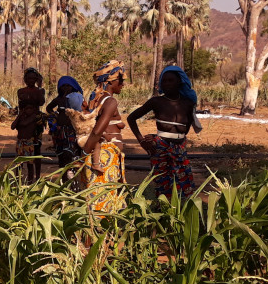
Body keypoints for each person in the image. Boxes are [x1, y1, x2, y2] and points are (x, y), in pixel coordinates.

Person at [127, 65, 202, 199]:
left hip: (180, 149)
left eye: (170, 80)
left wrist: (180, 141)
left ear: (179, 82)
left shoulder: (188, 103)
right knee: (163, 185)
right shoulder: (157, 102)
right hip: (160, 149)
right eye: (164, 81)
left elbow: (188, 126)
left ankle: (181, 214)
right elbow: (131, 118)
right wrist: (141, 140)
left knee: (185, 185)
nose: (167, 83)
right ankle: (162, 213)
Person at [80, 61, 127, 212]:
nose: (123, 84)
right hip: (104, 159)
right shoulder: (110, 101)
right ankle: (102, 233)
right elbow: (97, 131)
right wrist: (85, 153)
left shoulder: (96, 99)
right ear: (112, 81)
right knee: (103, 203)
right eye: (121, 80)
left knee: (95, 200)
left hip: (99, 155)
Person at [10, 67, 46, 182]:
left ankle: (37, 176)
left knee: (37, 149)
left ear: (36, 79)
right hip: (24, 120)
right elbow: (22, 104)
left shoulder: (40, 90)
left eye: (33, 78)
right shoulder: (21, 91)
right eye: (28, 78)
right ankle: (20, 179)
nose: (31, 80)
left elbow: (41, 102)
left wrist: (40, 86)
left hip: (36, 122)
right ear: (25, 79)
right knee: (22, 148)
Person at [45, 76, 87, 171]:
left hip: (73, 129)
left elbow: (84, 109)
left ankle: (73, 176)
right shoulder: (59, 99)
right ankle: (63, 176)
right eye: (63, 86)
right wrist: (54, 115)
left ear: (73, 86)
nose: (66, 88)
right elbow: (48, 107)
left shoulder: (77, 98)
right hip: (60, 130)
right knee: (62, 154)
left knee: (73, 153)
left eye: (68, 86)